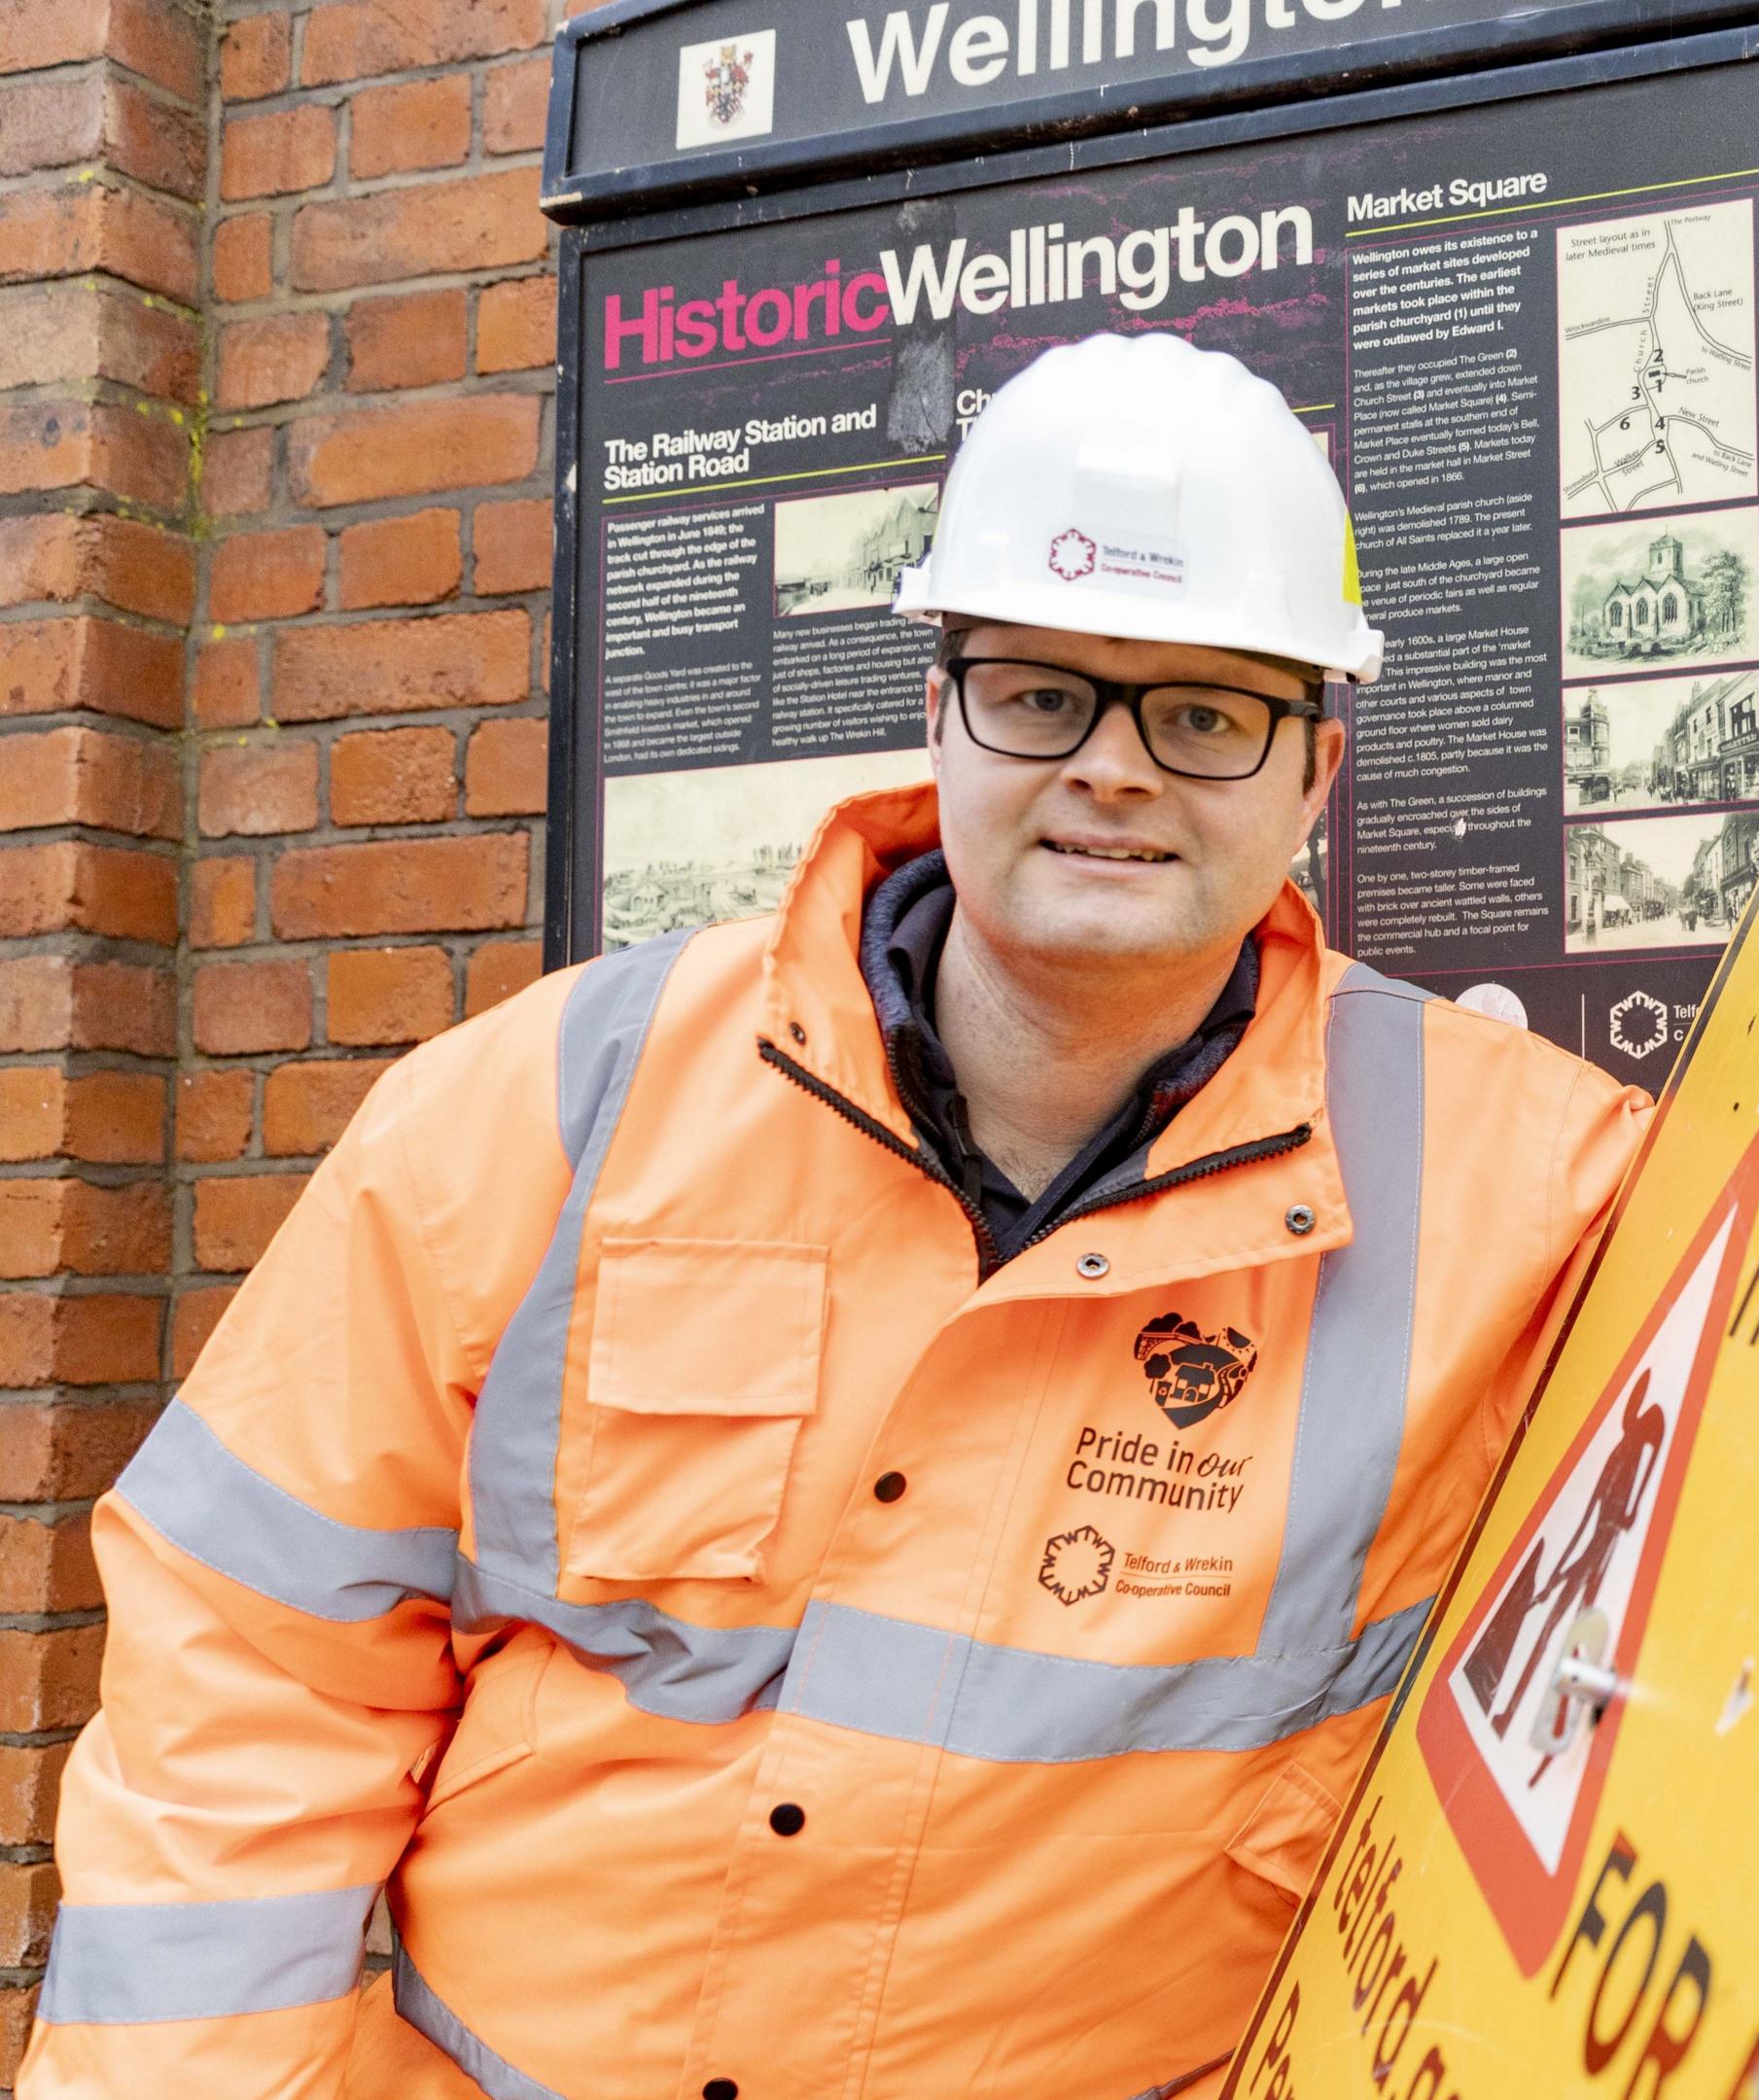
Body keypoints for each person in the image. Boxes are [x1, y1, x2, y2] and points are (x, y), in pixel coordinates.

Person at [24, 333, 1650, 2100]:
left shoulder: (1532, 1186)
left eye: (1204, 712)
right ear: (940, 707)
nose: (1114, 769)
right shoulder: (548, 1104)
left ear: (1313, 775)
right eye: (1040, 691)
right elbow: (248, 1700)